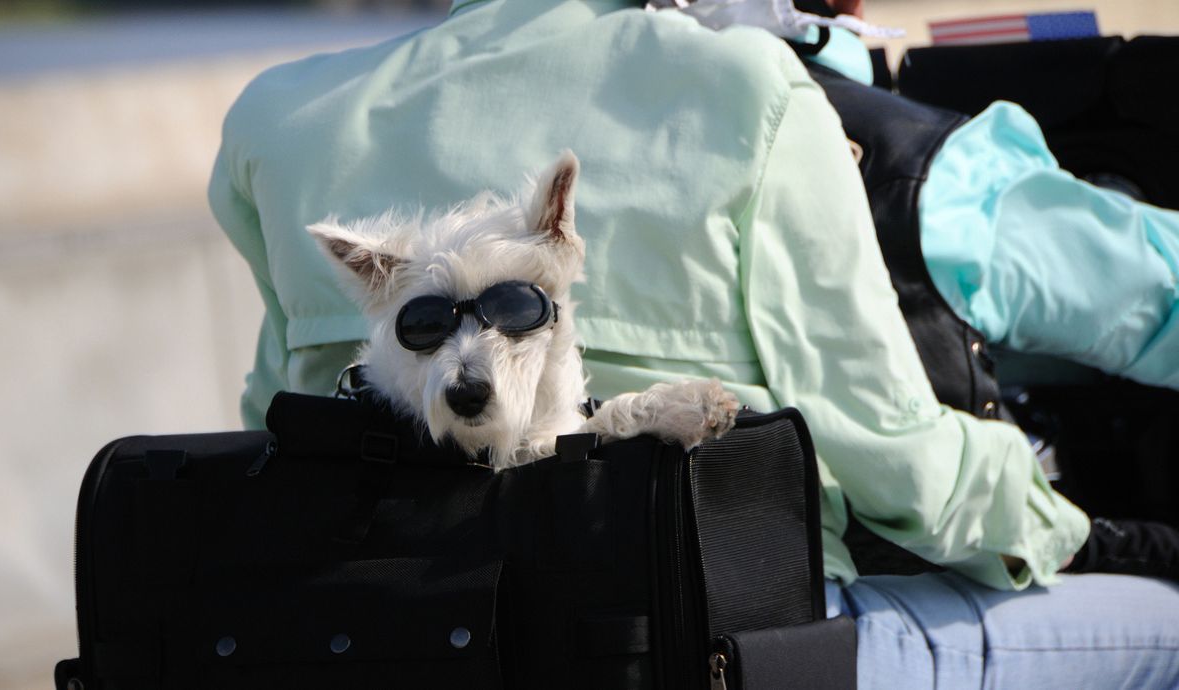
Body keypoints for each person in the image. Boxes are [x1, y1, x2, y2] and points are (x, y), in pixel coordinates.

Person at [208, 0, 1179, 685]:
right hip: (713, 645)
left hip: (406, 644)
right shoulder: (749, 90)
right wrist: (1073, 529)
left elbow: (270, 433)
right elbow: (897, 464)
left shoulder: (282, 122)